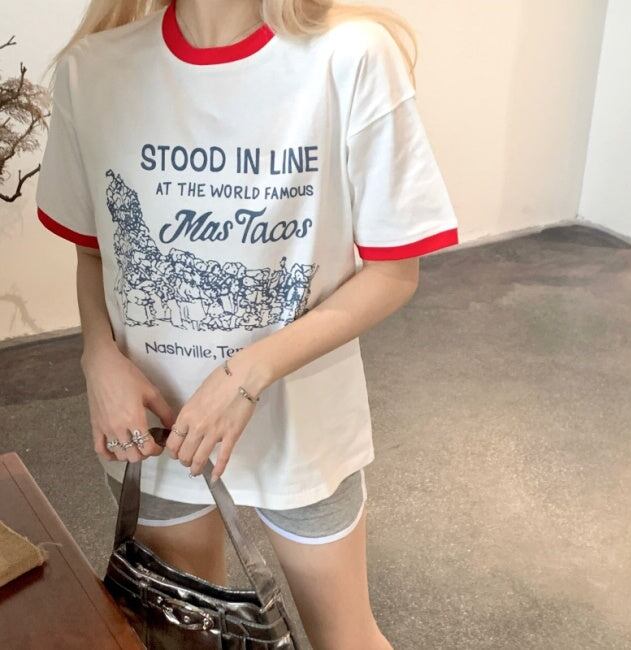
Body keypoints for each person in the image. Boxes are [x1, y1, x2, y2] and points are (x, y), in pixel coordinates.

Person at [35, 1, 459, 648]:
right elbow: (96, 251)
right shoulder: (92, 70)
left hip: (303, 421)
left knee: (345, 637)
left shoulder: (349, 58)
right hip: (157, 426)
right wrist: (99, 357)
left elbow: (393, 273)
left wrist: (248, 373)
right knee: (188, 637)